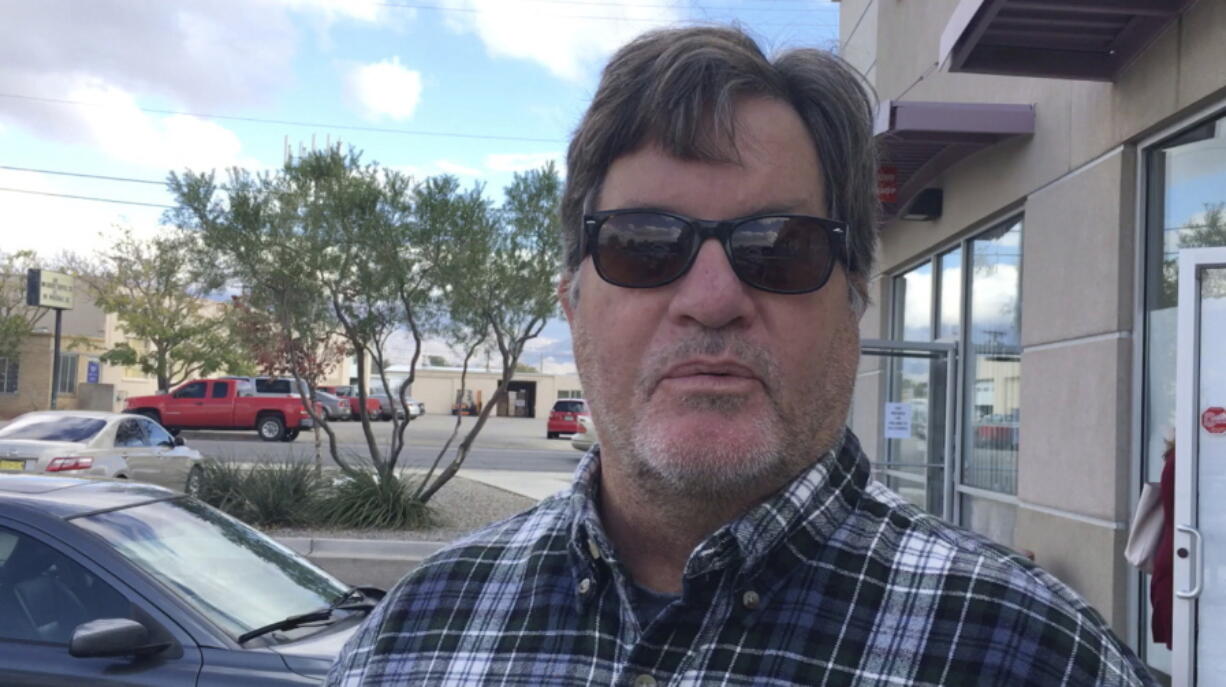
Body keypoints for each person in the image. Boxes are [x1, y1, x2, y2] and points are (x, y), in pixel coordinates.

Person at [327, 25, 1155, 686]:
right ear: (573, 305)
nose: (713, 297)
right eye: (645, 245)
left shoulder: (1032, 654)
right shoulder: (411, 632)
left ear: (854, 301)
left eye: (780, 246)